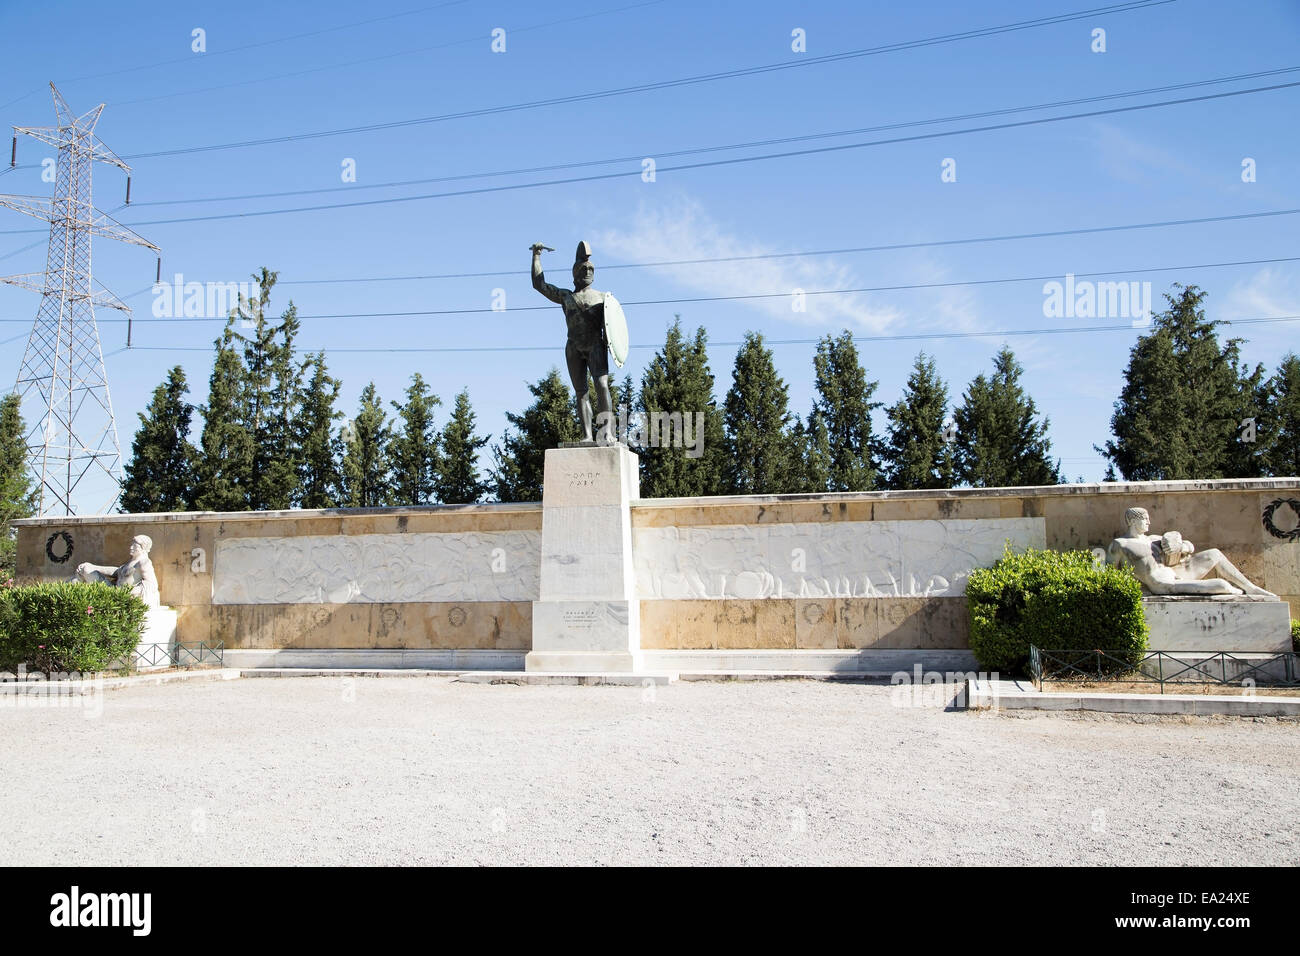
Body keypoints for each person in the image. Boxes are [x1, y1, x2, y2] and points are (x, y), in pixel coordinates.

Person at [531, 240, 613, 443]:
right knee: (581, 392)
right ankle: (587, 435)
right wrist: (536, 256)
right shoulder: (566, 296)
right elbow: (539, 284)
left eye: (591, 268)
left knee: (602, 385)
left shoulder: (604, 298)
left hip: (596, 344)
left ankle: (607, 433)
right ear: (575, 272)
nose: (588, 271)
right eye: (584, 268)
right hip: (573, 347)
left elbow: (615, 327)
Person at [1105, 507, 1276, 598]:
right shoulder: (1120, 544)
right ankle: (1234, 591)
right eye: (1145, 519)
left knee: (1214, 553)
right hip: (1162, 585)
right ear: (1133, 521)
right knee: (1221, 585)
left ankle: (1251, 588)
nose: (1149, 522)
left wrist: (1182, 546)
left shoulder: (1153, 539)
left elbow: (1189, 546)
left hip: (1177, 573)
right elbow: (1109, 575)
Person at [74, 534, 161, 607]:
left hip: (121, 595)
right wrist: (94, 567)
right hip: (114, 591)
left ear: (143, 548)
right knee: (86, 568)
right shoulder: (130, 562)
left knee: (84, 570)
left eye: (135, 546)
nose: (131, 547)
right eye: (131, 544)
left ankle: (72, 600)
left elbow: (152, 585)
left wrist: (127, 593)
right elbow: (116, 572)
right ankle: (72, 597)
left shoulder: (144, 562)